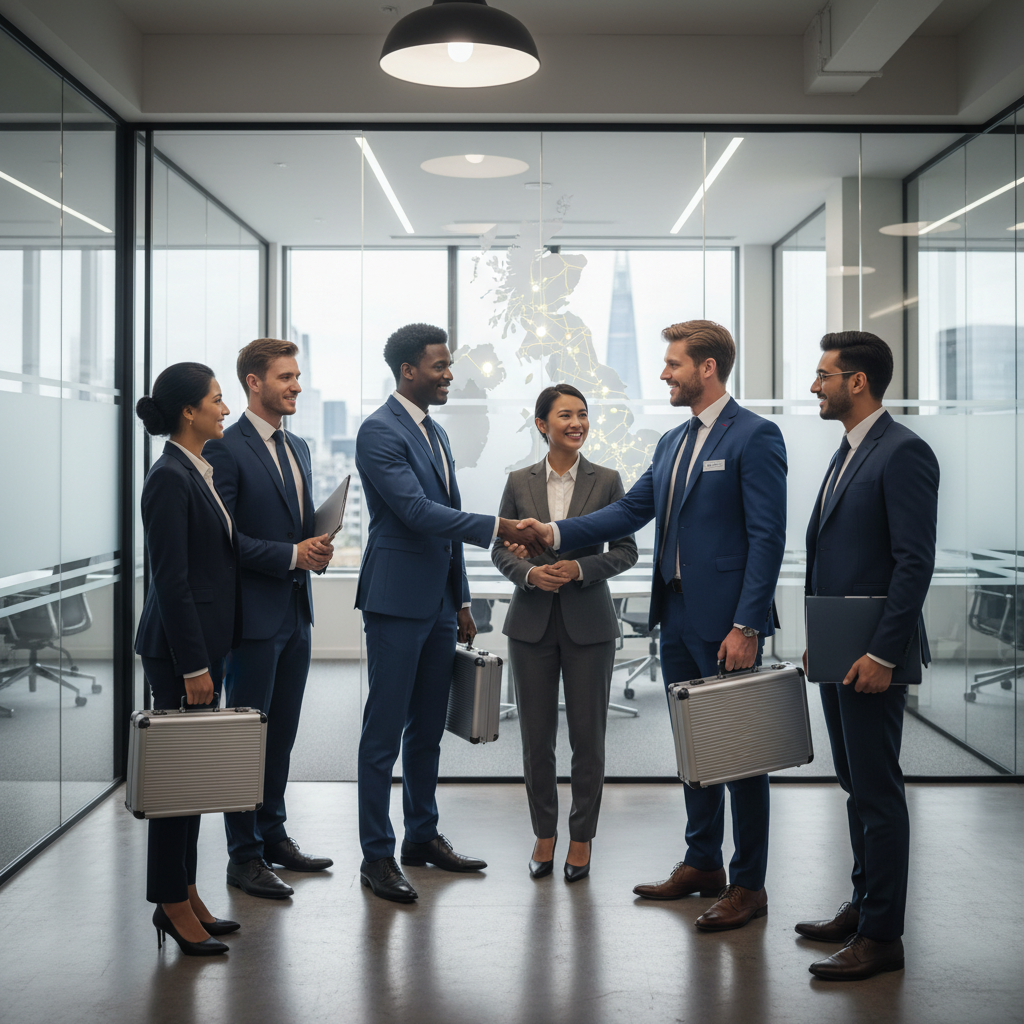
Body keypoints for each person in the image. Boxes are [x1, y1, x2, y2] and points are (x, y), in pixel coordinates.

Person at [511, 320, 787, 930]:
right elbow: (629, 510)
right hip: (680, 614)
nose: (664, 373)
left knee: (739, 752)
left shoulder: (755, 437)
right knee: (695, 747)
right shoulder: (671, 443)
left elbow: (769, 537)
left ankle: (748, 883)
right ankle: (702, 862)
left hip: (728, 625)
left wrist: (748, 623)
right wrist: (552, 533)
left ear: (707, 368)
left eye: (673, 364)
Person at [354, 322, 545, 903]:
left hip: (437, 603)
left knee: (428, 729)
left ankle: (421, 835)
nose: (448, 375)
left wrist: (461, 600)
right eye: (439, 366)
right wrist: (500, 527)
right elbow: (415, 512)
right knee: (383, 732)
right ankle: (377, 855)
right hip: (394, 600)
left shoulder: (432, 433)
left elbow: (446, 519)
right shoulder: (379, 431)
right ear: (409, 369)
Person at [797, 331, 938, 981]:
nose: (814, 385)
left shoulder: (903, 452)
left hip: (873, 658)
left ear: (858, 382)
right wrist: (822, 637)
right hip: (840, 650)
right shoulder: (849, 451)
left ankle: (882, 936)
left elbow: (914, 563)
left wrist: (883, 653)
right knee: (856, 786)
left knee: (878, 792)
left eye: (824, 375)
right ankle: (863, 903)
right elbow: (838, 556)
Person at [204, 338, 334, 900]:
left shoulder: (300, 446)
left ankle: (273, 835)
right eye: (285, 377)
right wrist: (290, 555)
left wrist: (316, 549)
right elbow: (223, 539)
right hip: (252, 620)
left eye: (297, 375)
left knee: (280, 736)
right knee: (243, 741)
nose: (296, 385)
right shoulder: (225, 449)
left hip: (295, 614)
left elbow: (295, 527)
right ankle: (243, 857)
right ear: (253, 383)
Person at [491, 384, 638, 882]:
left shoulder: (608, 480)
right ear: (542, 425)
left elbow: (626, 550)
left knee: (588, 739)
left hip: (589, 623)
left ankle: (581, 839)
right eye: (565, 416)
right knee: (536, 740)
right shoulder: (518, 480)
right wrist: (529, 573)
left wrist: (577, 569)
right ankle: (544, 834)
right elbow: (501, 548)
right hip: (530, 621)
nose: (576, 423)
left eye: (582, 415)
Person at [135, 362, 242, 956]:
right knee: (177, 784)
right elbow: (171, 582)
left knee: (195, 778)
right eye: (218, 400)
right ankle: (169, 902)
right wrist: (196, 666)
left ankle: (187, 889)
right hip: (181, 654)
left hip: (202, 646)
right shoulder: (170, 478)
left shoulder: (196, 469)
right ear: (188, 412)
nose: (224, 410)